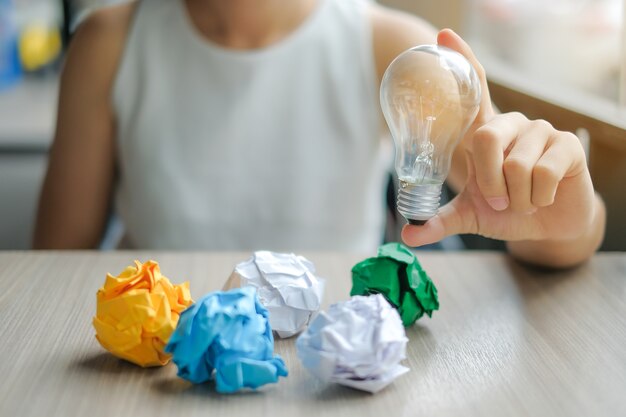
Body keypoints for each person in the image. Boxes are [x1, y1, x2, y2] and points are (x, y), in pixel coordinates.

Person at [33, 0, 605, 268]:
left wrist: (562, 217)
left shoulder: (391, 45)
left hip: (336, 356)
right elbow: (50, 269)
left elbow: (538, 222)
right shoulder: (107, 44)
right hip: (161, 361)